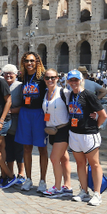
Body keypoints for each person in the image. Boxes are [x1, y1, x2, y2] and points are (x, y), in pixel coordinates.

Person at [66, 70, 107, 206]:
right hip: (75, 133)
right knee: (80, 164)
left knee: (94, 164)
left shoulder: (88, 94)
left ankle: (97, 193)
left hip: (89, 134)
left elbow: (103, 115)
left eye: (75, 80)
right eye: (71, 80)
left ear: (81, 80)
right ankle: (83, 191)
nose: (73, 83)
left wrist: (96, 126)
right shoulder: (71, 94)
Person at [15, 52, 49, 192]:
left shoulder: (43, 77)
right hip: (25, 113)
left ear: (37, 62)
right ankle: (28, 179)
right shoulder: (22, 76)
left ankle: (42, 181)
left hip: (39, 114)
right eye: (26, 61)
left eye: (31, 61)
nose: (29, 63)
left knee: (42, 148)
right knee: (27, 148)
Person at [41, 68, 72, 197]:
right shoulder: (45, 93)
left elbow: (79, 102)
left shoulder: (64, 92)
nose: (50, 80)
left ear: (58, 78)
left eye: (53, 77)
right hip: (51, 130)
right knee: (64, 157)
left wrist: (92, 112)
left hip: (63, 129)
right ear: (44, 79)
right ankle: (68, 186)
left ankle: (57, 187)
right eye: (47, 78)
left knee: (54, 158)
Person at [1, 64, 26, 185]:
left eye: (11, 73)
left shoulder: (20, 86)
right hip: (6, 124)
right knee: (8, 149)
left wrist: (10, 111)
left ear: (16, 75)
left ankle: (21, 173)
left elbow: (25, 105)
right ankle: (10, 173)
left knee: (19, 150)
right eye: (6, 73)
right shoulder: (2, 85)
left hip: (17, 122)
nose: (9, 75)